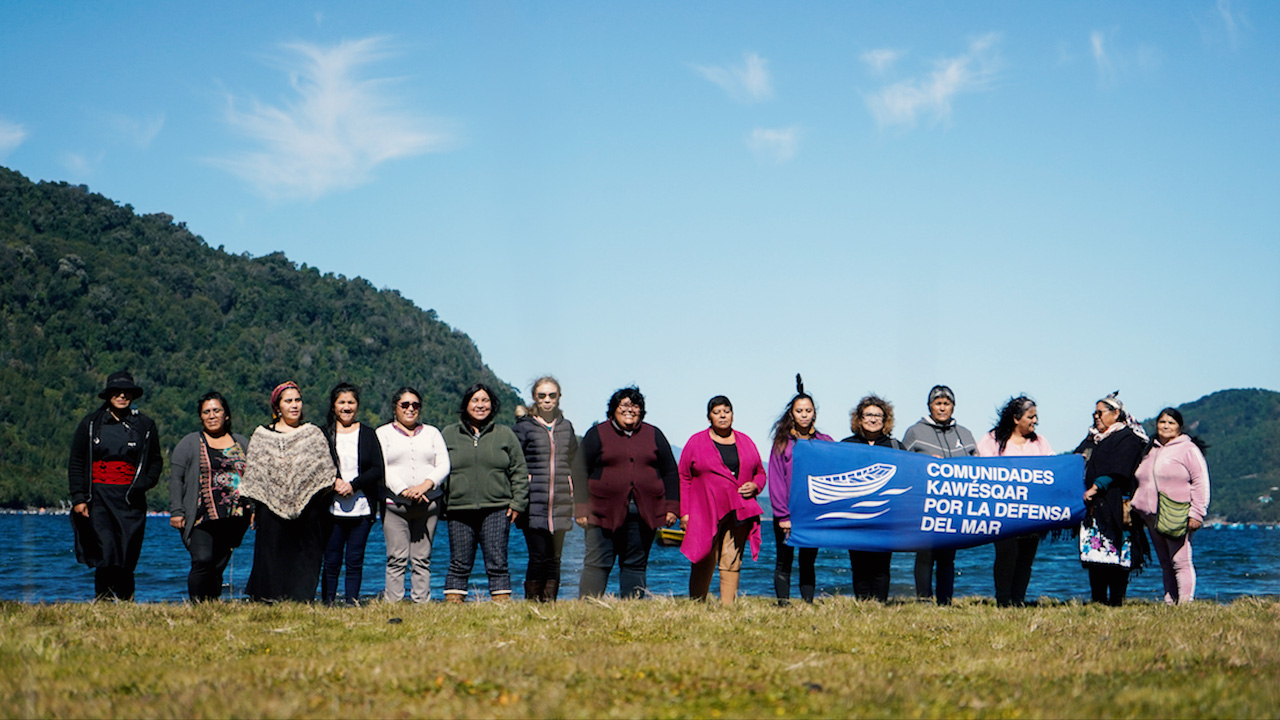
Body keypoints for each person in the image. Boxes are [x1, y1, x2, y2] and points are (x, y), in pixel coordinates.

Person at [573, 387, 680, 599]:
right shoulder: (597, 434)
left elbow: (670, 472)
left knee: (635, 565)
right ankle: (587, 607)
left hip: (643, 513)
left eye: (635, 406)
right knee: (597, 563)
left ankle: (632, 610)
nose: (630, 410)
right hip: (601, 512)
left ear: (641, 411)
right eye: (624, 405)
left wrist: (672, 508)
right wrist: (581, 508)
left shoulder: (654, 435)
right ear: (613, 410)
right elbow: (579, 471)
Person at [68, 371, 163, 600]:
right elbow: (77, 461)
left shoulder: (145, 425)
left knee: (127, 552)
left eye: (127, 392)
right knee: (105, 550)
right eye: (117, 391)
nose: (122, 395)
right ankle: (103, 600)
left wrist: (143, 484)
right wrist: (79, 497)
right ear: (108, 394)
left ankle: (126, 601)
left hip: (131, 499)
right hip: (98, 498)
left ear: (133, 394)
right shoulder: (91, 424)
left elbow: (156, 461)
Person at [241, 381, 337, 603]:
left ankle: (302, 600)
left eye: (297, 400)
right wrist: (255, 508)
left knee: (305, 557)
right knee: (272, 557)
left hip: (308, 509)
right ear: (277, 407)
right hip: (270, 510)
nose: (294, 405)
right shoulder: (262, 435)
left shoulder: (312, 434)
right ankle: (269, 600)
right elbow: (256, 476)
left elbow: (324, 472)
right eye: (288, 401)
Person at [441, 383, 529, 603]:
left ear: (493, 405)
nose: (480, 405)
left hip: (497, 509)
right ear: (466, 404)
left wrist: (517, 504)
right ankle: (453, 610)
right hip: (459, 510)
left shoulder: (505, 434)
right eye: (475, 400)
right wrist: (442, 504)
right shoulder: (448, 434)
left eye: (485, 400)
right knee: (459, 562)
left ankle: (501, 608)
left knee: (497, 562)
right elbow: (437, 471)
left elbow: (519, 470)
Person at [680, 396, 767, 605]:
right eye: (717, 411)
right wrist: (684, 513)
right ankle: (696, 604)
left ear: (733, 415)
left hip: (738, 509)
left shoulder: (745, 441)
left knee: (732, 557)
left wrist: (755, 486)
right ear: (709, 416)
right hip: (704, 509)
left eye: (726, 411)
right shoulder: (696, 441)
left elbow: (760, 473)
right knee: (703, 556)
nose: (722, 415)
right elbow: (683, 477)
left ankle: (727, 607)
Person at [169, 391, 253, 602]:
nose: (212, 415)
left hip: (234, 516)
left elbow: (253, 478)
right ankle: (197, 606)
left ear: (226, 415)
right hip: (200, 515)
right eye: (206, 412)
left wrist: (254, 509)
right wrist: (177, 511)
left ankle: (211, 607)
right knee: (202, 560)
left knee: (217, 565)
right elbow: (176, 479)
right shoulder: (189, 443)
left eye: (217, 410)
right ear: (200, 417)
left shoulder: (241, 442)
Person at [976, 395, 1054, 607]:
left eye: (1036, 416)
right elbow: (979, 467)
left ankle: (1018, 599)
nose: (1035, 421)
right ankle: (1003, 600)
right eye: (1031, 416)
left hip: (1033, 512)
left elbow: (1054, 469)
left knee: (1026, 559)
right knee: (1006, 555)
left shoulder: (1040, 442)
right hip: (1002, 513)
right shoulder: (992, 440)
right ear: (1016, 418)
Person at [902, 385, 976, 606]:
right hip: (924, 505)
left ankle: (945, 601)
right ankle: (924, 599)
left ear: (953, 406)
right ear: (930, 406)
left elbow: (979, 465)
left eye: (946, 403)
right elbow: (903, 466)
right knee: (925, 555)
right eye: (938, 403)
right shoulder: (915, 431)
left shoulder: (965, 434)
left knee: (948, 557)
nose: (942, 408)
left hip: (955, 506)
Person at [1074, 391, 1149, 606]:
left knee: (1118, 558)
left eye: (1100, 413)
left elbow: (1120, 469)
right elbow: (1077, 461)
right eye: (1094, 414)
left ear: (1116, 414)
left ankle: (1116, 601)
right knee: (1095, 558)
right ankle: (1098, 601)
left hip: (1116, 507)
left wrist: (1097, 487)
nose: (1096, 417)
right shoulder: (1092, 440)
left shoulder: (1128, 438)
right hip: (1093, 510)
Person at [376, 387, 449, 603]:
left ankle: (421, 603)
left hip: (429, 503)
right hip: (394, 504)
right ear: (395, 408)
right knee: (396, 558)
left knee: (422, 558)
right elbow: (382, 466)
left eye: (415, 405)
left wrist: (425, 486)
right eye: (405, 405)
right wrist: (403, 490)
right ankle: (394, 602)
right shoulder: (382, 433)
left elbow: (444, 464)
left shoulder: (432, 433)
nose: (410, 409)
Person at [1133, 408, 1210, 605]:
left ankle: (1185, 604)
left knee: (1180, 561)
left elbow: (1201, 482)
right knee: (1166, 562)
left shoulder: (1188, 449)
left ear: (1179, 427)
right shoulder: (1150, 450)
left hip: (1177, 513)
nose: (1166, 426)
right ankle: (1169, 601)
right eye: (1162, 422)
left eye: (1171, 423)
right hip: (1151, 516)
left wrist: (1197, 513)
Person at [767, 375, 833, 605]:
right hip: (788, 514)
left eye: (808, 410)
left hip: (813, 513)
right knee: (784, 561)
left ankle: (808, 603)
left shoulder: (825, 442)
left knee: (808, 561)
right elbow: (775, 481)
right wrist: (782, 516)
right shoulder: (782, 443)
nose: (804, 414)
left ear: (814, 413)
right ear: (791, 414)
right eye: (799, 411)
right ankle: (783, 604)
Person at [512, 376, 579, 602]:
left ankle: (550, 602)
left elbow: (573, 461)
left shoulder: (566, 427)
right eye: (542, 396)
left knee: (555, 558)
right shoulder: (523, 428)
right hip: (533, 503)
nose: (547, 400)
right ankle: (532, 602)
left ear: (559, 397)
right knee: (538, 556)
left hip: (561, 502)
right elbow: (513, 463)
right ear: (534, 398)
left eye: (552, 395)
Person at [320, 383, 384, 605]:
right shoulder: (324, 433)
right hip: (331, 508)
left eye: (351, 402)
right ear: (334, 405)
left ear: (357, 406)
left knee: (355, 560)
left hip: (362, 508)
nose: (346, 407)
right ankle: (327, 603)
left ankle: (352, 603)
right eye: (341, 402)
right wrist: (333, 482)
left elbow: (378, 468)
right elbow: (316, 466)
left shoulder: (368, 433)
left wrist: (353, 485)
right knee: (331, 560)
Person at [841, 394, 904, 602]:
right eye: (868, 414)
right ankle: (863, 605)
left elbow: (910, 475)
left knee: (881, 565)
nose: (873, 419)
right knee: (858, 563)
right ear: (859, 419)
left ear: (886, 420)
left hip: (886, 515)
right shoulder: (845, 445)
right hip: (855, 515)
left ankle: (879, 605)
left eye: (879, 415)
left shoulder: (896, 446)